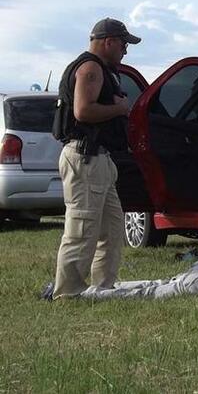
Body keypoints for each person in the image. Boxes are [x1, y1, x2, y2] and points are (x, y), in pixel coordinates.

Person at [47, 18, 140, 300]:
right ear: (108, 41)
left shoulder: (103, 70)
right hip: (85, 157)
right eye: (124, 44)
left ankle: (103, 288)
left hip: (100, 159)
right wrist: (120, 109)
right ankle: (68, 292)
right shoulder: (91, 68)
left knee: (112, 229)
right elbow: (83, 111)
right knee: (82, 227)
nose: (125, 50)